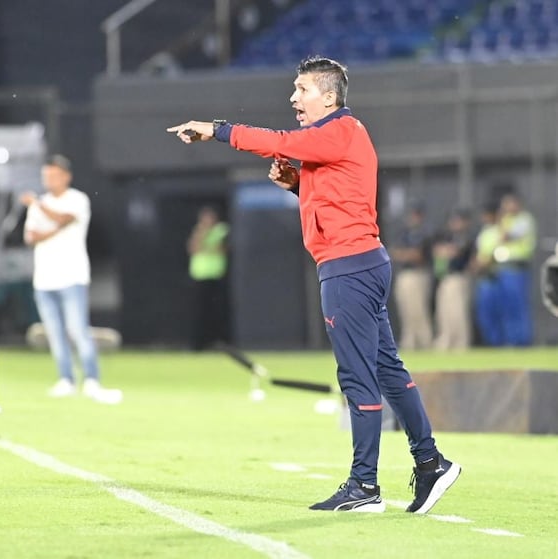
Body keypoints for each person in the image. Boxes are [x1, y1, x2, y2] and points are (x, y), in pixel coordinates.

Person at [167, 55, 460, 514]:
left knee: (358, 378)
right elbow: (335, 200)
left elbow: (281, 141)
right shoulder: (337, 140)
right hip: (356, 262)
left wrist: (217, 129)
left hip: (349, 267)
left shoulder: (340, 129)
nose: (293, 98)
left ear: (328, 96)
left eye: (301, 89)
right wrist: (296, 186)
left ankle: (365, 486)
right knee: (386, 371)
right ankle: (430, 463)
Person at [20, 154, 121, 404]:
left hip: (72, 276)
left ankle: (92, 380)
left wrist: (40, 208)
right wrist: (51, 227)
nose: (49, 180)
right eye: (46, 176)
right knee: (55, 334)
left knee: (78, 330)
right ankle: (66, 379)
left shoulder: (77, 199)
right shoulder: (40, 204)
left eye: (54, 175)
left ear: (66, 176)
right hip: (44, 279)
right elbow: (31, 237)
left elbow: (65, 218)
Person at [389, 202, 434, 350]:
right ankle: (410, 342)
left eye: (416, 214)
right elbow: (394, 252)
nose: (413, 217)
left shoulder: (425, 233)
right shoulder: (404, 232)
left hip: (418, 274)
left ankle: (425, 342)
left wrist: (405, 254)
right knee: (406, 311)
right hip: (404, 274)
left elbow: (418, 256)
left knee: (418, 310)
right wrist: (405, 254)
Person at [495, 191, 536, 346]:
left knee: (519, 305)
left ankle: (523, 340)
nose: (507, 207)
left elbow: (506, 236)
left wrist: (501, 218)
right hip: (504, 268)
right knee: (507, 307)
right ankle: (511, 339)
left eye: (510, 203)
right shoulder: (506, 219)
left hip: (518, 267)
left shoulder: (525, 219)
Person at [431, 208, 475, 350]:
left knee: (457, 312)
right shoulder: (449, 236)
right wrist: (444, 251)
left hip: (459, 277)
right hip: (446, 276)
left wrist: (445, 251)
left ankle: (461, 342)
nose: (455, 223)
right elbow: (437, 251)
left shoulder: (466, 237)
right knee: (444, 311)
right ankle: (446, 339)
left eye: (458, 220)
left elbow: (454, 252)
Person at [187, 206, 230, 350]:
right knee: (199, 312)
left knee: (217, 311)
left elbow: (220, 249)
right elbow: (194, 248)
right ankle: (198, 344)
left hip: (216, 276)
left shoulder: (221, 230)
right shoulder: (199, 231)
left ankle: (217, 342)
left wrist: (207, 246)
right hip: (200, 276)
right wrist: (202, 233)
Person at [472, 201, 505, 346]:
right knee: (485, 313)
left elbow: (495, 253)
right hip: (484, 276)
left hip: (496, 275)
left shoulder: (500, 231)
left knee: (500, 312)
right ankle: (492, 342)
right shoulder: (484, 232)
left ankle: (503, 342)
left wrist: (483, 262)